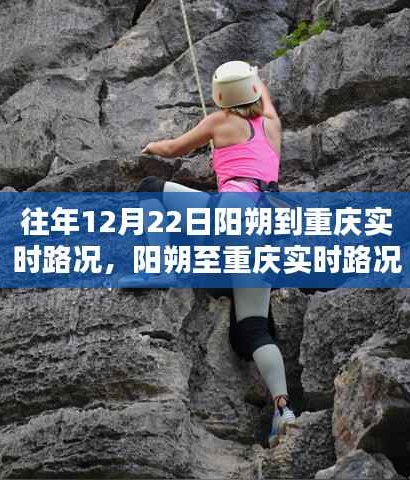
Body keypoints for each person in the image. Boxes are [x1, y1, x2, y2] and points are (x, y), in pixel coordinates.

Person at [137, 61, 296, 448]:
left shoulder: (219, 121)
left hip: (230, 216)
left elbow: (173, 149)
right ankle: (283, 409)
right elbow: (266, 104)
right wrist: (255, 76)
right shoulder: (272, 125)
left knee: (151, 188)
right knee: (253, 328)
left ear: (220, 94)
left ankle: (159, 266)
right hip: (267, 229)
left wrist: (150, 147)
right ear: (254, 89)